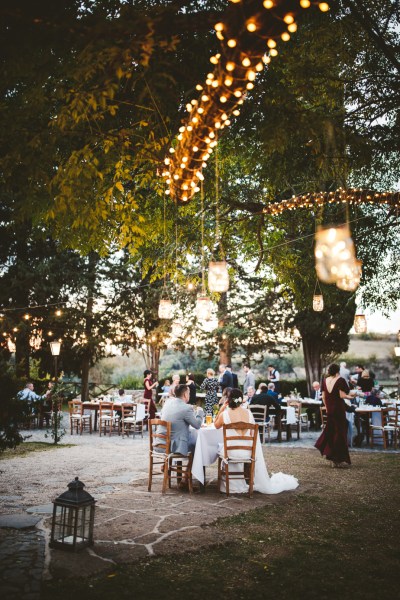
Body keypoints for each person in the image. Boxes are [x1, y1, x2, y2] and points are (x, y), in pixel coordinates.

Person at [214, 388, 298, 494]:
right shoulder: (248, 413)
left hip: (231, 452)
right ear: (241, 400)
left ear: (228, 400)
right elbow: (252, 434)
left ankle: (229, 483)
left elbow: (216, 425)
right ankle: (241, 480)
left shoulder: (225, 414)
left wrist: (222, 409)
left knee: (219, 448)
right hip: (247, 452)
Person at [315, 363, 355, 468]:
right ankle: (337, 458)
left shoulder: (325, 380)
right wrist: (351, 397)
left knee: (332, 432)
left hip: (330, 411)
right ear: (338, 371)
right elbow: (342, 395)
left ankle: (332, 457)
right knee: (340, 433)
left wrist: (328, 408)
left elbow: (323, 397)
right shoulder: (340, 380)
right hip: (339, 409)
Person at [160, 384, 204, 456]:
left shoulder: (167, 403)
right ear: (185, 394)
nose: (189, 395)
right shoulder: (186, 408)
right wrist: (200, 411)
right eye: (189, 393)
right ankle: (194, 467)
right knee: (199, 445)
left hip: (160, 442)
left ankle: (170, 465)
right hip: (173, 447)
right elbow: (197, 425)